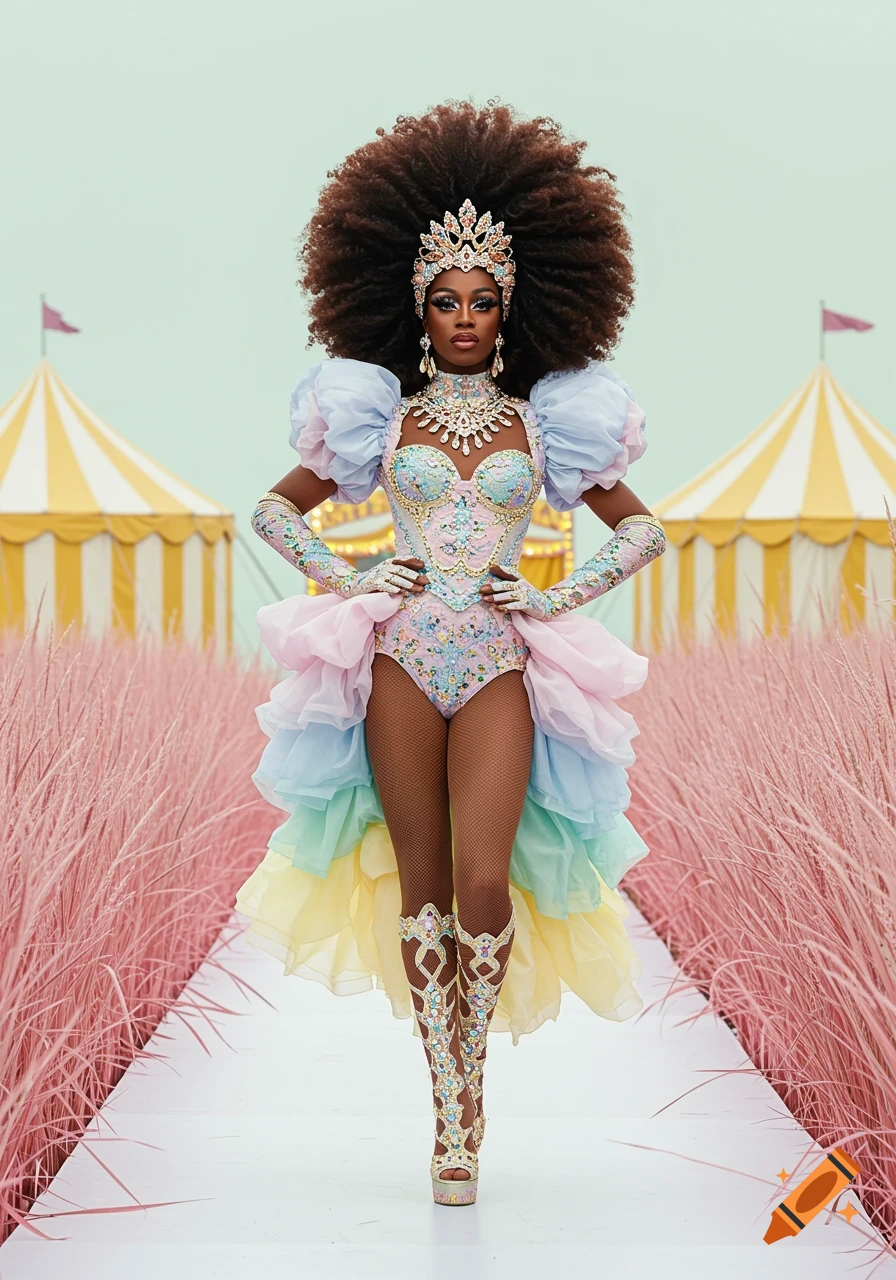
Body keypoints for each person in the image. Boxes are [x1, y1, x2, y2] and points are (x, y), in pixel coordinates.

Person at [235, 100, 666, 1207]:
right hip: (397, 661)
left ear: (511, 307)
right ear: (416, 309)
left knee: (483, 881)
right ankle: (451, 1112)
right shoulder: (375, 418)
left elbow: (644, 529)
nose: (464, 316)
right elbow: (270, 515)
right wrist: (352, 575)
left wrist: (551, 592)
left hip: (497, 661)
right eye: (445, 300)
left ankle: (473, 1079)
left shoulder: (548, 422)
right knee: (421, 885)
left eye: (481, 300)